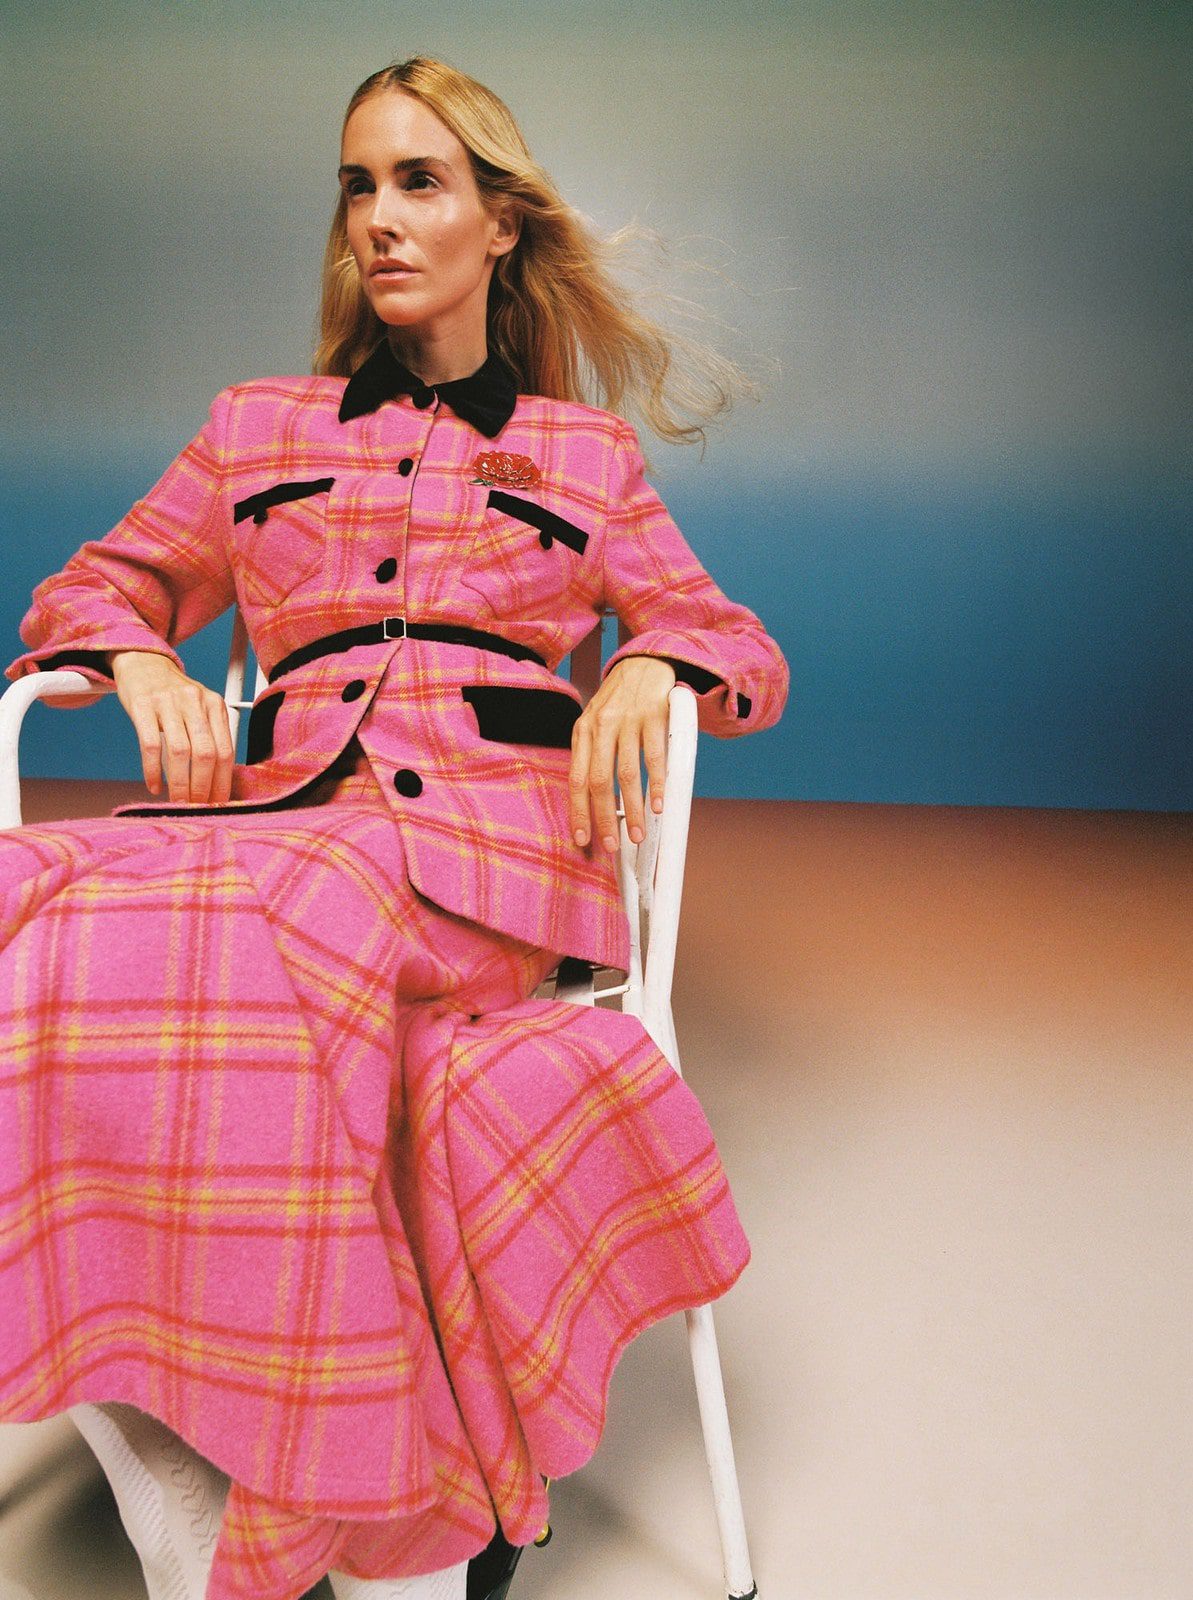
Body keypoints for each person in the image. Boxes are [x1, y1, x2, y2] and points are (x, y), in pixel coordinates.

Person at [0, 55, 789, 1600]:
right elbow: (95, 587)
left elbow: (733, 644)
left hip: (486, 858)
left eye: (419, 181)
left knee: (301, 903)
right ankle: (171, 1406)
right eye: (357, 184)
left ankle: (292, 1502)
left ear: (500, 222)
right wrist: (143, 657)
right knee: (31, 881)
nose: (377, 215)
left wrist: (650, 664)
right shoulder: (254, 427)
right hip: (276, 837)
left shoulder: (585, 457)